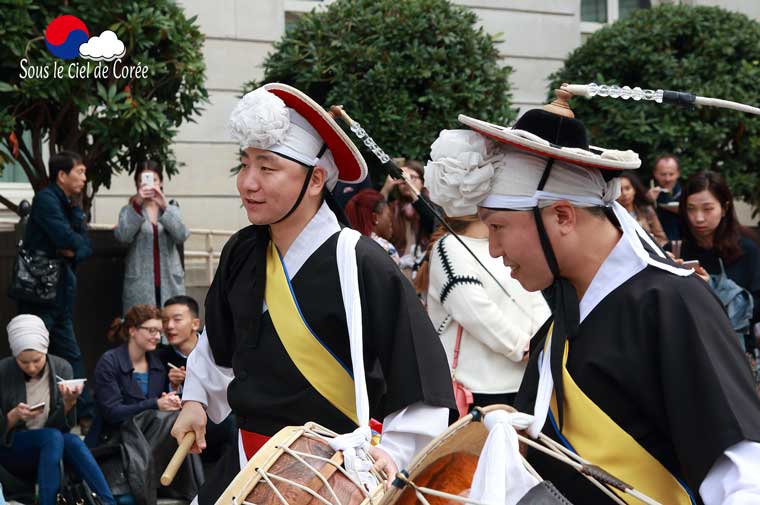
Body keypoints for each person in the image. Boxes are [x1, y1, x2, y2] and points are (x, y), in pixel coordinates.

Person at [434, 89, 760, 504]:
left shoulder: (673, 303)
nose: (494, 250)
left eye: (497, 227)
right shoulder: (558, 326)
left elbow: (742, 472)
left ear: (563, 216)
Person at [170, 83, 455, 504]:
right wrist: (195, 401)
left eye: (267, 169)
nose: (248, 182)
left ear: (315, 179)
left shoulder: (362, 261)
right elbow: (219, 346)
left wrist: (394, 453)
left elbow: (419, 375)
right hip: (247, 464)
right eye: (245, 165)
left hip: (331, 476)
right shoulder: (243, 252)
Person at [418, 130, 551, 408]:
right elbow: (475, 309)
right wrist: (523, 347)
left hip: (524, 381)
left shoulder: (511, 241)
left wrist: (541, 339)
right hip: (477, 389)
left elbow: (534, 294)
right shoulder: (450, 247)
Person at [0, 315, 115, 505]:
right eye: (23, 362)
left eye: (37, 360)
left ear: (45, 350)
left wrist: (69, 403)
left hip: (50, 448)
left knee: (72, 441)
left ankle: (108, 502)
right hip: (12, 449)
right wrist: (13, 416)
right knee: (52, 437)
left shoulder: (62, 368)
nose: (31, 367)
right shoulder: (3, 372)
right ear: (15, 356)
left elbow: (65, 428)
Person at [91, 305, 199, 504]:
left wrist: (171, 396)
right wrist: (155, 404)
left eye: (159, 332)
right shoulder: (110, 361)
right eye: (151, 331)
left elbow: (156, 407)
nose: (157, 337)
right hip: (117, 438)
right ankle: (194, 491)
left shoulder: (157, 363)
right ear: (133, 330)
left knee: (176, 418)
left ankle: (193, 492)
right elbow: (112, 412)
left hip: (149, 436)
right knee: (170, 420)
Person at [17, 150, 94, 425]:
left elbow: (83, 244)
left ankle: (85, 415)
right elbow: (65, 237)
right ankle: (26, 414)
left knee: (70, 353)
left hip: (59, 293)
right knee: (31, 353)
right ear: (62, 175)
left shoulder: (69, 202)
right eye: (80, 172)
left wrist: (75, 248)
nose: (84, 178)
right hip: (40, 294)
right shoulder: (46, 200)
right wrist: (73, 246)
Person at [676, 171, 760, 357]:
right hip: (688, 351)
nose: (698, 218)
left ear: (724, 208)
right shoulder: (676, 250)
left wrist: (712, 290)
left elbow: (755, 308)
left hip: (734, 352)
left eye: (707, 209)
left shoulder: (747, 249)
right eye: (691, 209)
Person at [159, 296, 236, 463]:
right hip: (183, 424)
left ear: (195, 324)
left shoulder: (220, 348)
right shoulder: (160, 357)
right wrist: (175, 386)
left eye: (177, 319)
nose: (169, 326)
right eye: (165, 321)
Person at [114, 161, 190, 313]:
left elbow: (181, 235)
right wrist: (136, 205)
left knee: (171, 325)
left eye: (154, 180)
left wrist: (164, 206)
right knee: (143, 326)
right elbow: (123, 236)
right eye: (143, 180)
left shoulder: (171, 208)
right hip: (140, 282)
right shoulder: (129, 210)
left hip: (170, 279)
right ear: (137, 183)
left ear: (161, 182)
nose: (150, 184)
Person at [382, 160, 436, 278]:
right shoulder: (393, 207)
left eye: (413, 177)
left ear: (422, 182)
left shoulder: (432, 204)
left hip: (424, 267)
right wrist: (386, 188)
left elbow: (433, 223)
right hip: (398, 268)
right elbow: (375, 220)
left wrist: (412, 189)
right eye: (403, 179)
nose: (407, 182)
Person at [345, 188, 400, 264]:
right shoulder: (386, 249)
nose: (391, 222)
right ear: (375, 218)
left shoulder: (347, 247)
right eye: (389, 216)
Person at [617, 170, 668, 246]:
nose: (624, 193)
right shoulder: (612, 214)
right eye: (619, 190)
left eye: (627, 188)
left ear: (634, 190)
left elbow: (662, 239)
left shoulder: (646, 211)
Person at [647, 154, 683, 241]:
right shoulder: (647, 193)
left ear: (678, 173)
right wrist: (647, 201)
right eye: (663, 174)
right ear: (655, 174)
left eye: (671, 174)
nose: (668, 179)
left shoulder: (685, 193)